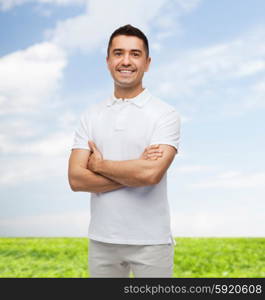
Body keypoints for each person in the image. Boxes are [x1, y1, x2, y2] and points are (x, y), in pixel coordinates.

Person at [68, 24, 181, 278]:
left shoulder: (165, 114)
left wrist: (98, 165)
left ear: (148, 63)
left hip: (151, 242)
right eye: (118, 53)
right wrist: (133, 170)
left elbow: (150, 175)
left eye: (135, 54)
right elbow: (76, 179)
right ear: (108, 61)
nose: (126, 61)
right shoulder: (90, 116)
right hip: (102, 241)